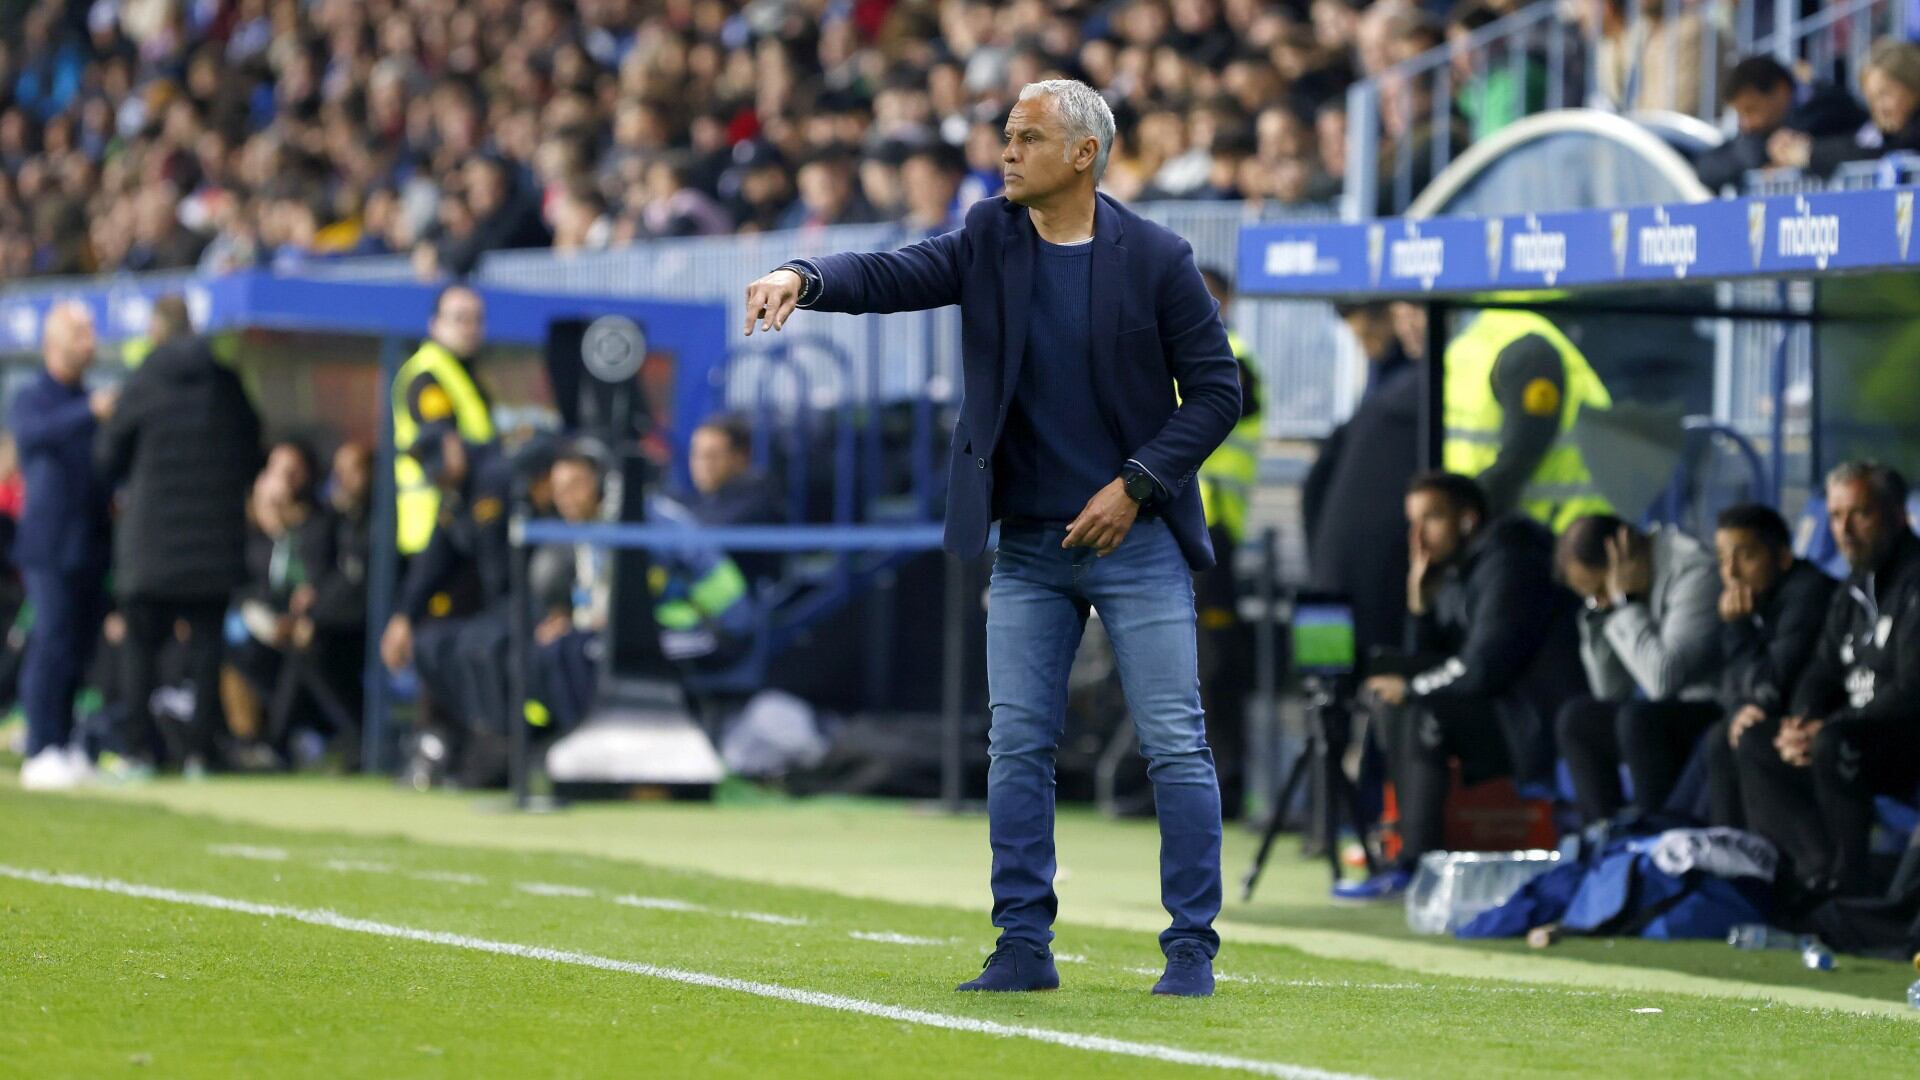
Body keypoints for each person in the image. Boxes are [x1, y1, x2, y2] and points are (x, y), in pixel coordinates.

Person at [742, 79, 1240, 997]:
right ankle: (1022, 948)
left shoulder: (1161, 259)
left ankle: (1190, 951)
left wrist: (1135, 488)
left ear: (1083, 154)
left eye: (1026, 137)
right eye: (1005, 136)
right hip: (1028, 548)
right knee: (1016, 746)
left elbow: (1218, 393)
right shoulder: (987, 238)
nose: (1006, 151)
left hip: (1136, 541)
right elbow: (893, 273)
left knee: (1175, 742)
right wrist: (804, 279)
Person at [1351, 472, 1586, 898]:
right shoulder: (1462, 569)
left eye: (1432, 519)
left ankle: (1418, 864)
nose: (1418, 536)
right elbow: (1437, 658)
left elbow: (1481, 667)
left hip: (1533, 722)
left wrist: (1415, 690)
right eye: (1413, 522)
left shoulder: (1511, 562)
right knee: (1392, 694)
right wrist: (1419, 604)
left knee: (1415, 705)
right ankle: (1404, 856)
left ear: (1467, 520)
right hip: (1502, 712)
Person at [95, 296, 261, 775]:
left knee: (140, 648)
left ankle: (138, 751)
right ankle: (197, 754)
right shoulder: (226, 382)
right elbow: (252, 446)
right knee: (207, 648)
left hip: (151, 541)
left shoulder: (144, 381)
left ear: (158, 330)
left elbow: (107, 458)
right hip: (215, 540)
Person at [1737, 463, 1920, 895]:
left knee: (1835, 744)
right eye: (1836, 517)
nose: (1845, 530)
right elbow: (1821, 669)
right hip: (1851, 731)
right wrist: (1800, 720)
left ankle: (1851, 886)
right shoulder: (1852, 590)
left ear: (1898, 516)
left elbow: (1913, 689)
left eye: (1860, 514)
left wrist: (1831, 726)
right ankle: (1812, 874)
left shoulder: (1915, 583)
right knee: (1757, 742)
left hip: (1903, 736)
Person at [1554, 514, 1722, 825]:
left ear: (1625, 550)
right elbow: (1609, 691)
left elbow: (1663, 679)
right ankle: (1606, 848)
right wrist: (1602, 616)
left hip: (1714, 709)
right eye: (1591, 598)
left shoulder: (1694, 570)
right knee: (1577, 718)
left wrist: (1627, 603)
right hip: (1665, 714)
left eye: (1601, 590)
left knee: (1639, 720)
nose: (1601, 601)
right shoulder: (1611, 601)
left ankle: (1657, 842)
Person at [380, 423, 518, 787]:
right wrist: (403, 617)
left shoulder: (495, 475)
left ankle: (499, 749)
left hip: (524, 602)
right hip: (494, 607)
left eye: (438, 458)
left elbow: (504, 568)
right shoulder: (455, 494)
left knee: (479, 644)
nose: (436, 471)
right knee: (430, 644)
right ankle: (454, 744)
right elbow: (432, 562)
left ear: (454, 444)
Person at [11, 301, 113, 789]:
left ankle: (65, 741)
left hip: (91, 542)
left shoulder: (91, 403)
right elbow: (33, 434)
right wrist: (89, 412)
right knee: (49, 641)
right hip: (48, 544)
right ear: (54, 343)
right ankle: (38, 747)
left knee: (77, 646)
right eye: (80, 332)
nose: (90, 340)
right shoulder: (32, 398)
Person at [1696, 503, 1834, 828]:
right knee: (1724, 733)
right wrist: (1739, 709)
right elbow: (1731, 685)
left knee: (1746, 738)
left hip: (1819, 718)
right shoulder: (1755, 599)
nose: (1730, 573)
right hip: (1780, 711)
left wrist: (1739, 628)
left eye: (1745, 556)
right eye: (1722, 560)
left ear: (1783, 557)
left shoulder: (1808, 593)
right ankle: (1724, 849)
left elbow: (1774, 681)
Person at [1302, 301, 1422, 662]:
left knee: (1326, 680)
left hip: (1327, 581)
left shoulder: (1385, 402)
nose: (1366, 347)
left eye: (1367, 335)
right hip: (1364, 585)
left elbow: (1312, 488)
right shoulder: (1397, 398)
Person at [1192, 265, 1264, 819]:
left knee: (1214, 664)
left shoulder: (1228, 357)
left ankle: (1227, 783)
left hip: (1208, 532)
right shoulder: (1174, 350)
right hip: (1172, 525)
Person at [1442, 308, 1613, 534]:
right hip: (1516, 536)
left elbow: (1518, 457)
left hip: (1567, 538)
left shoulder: (1527, 352)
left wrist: (1457, 516)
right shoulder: (1467, 344)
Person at [393, 284, 495, 556]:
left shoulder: (463, 373)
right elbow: (443, 447)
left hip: (462, 515)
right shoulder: (428, 374)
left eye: (477, 319)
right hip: (435, 519)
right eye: (460, 318)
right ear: (435, 323)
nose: (470, 327)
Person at [1694, 55, 1868, 192]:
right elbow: (1707, 167)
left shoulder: (1830, 107)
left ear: (1781, 90)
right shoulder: (1760, 132)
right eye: (1740, 114)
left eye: (1751, 110)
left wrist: (1790, 153)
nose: (1745, 124)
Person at [1768, 39, 1920, 178]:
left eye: (1885, 94)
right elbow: (1858, 145)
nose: (1879, 108)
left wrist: (1810, 154)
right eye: (1872, 99)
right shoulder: (1888, 131)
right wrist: (1805, 148)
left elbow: (1883, 155)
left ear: (1914, 86)